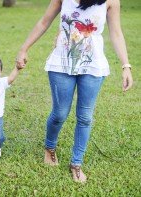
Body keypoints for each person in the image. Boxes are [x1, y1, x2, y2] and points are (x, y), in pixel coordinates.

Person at [16, 0, 133, 183]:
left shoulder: (111, 1)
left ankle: (76, 164)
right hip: (61, 63)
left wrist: (126, 66)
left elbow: (116, 33)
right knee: (60, 113)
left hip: (93, 65)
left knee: (85, 117)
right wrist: (24, 48)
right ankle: (50, 148)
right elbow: (44, 21)